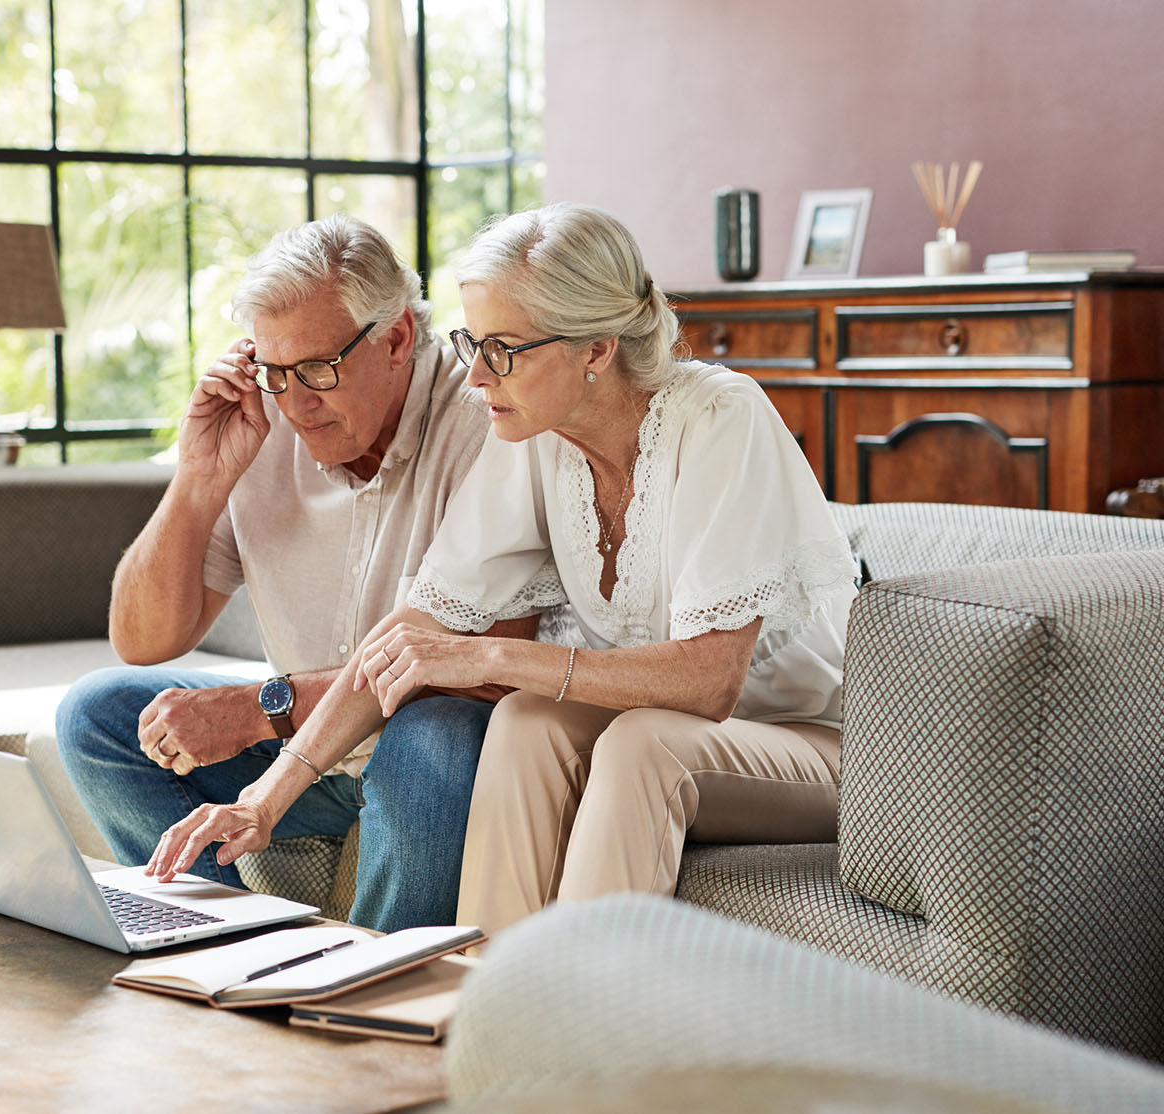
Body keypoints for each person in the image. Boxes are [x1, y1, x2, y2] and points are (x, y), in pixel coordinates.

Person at [146, 202, 856, 937]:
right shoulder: (535, 436)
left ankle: (580, 1031)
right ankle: (478, 1004)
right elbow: (413, 633)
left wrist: (487, 654)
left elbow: (710, 683)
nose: (477, 375)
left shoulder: (719, 418)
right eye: (471, 343)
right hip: (678, 732)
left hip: (811, 747)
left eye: (504, 350)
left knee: (642, 745)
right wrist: (265, 798)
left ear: (596, 349)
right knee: (525, 719)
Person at [54, 214, 536, 933]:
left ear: (398, 337)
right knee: (99, 714)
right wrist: (198, 478)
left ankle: (363, 991)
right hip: (309, 754)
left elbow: (484, 665)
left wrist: (261, 709)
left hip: (434, 762)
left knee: (438, 728)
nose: (297, 402)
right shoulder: (266, 416)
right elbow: (144, 640)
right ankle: (218, 950)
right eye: (276, 372)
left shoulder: (486, 422)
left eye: (317, 368)